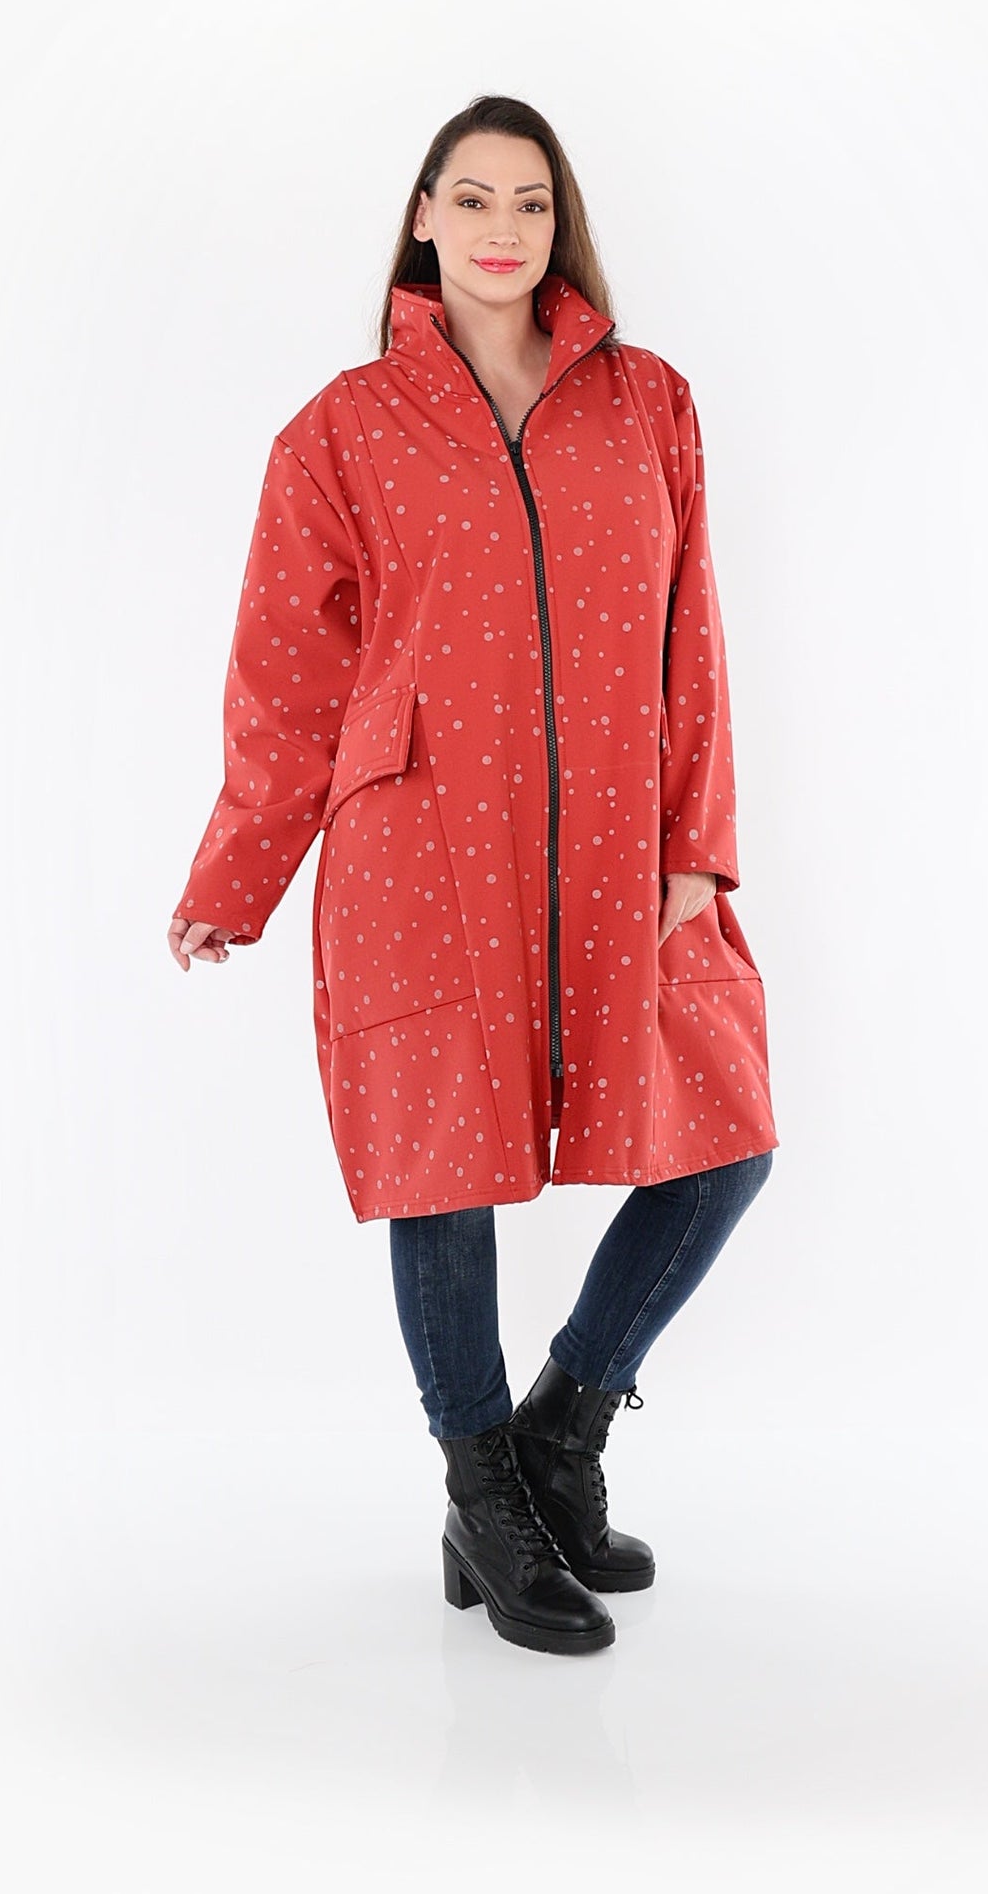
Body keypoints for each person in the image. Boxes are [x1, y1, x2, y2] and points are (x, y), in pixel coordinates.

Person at [167, 96, 778, 1655]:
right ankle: (480, 1491)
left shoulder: (647, 402)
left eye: (530, 201)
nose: (502, 228)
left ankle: (558, 1433)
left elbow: (691, 637)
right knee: (441, 1172)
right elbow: (288, 678)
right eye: (473, 198)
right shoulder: (340, 431)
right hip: (421, 842)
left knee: (726, 1139)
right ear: (422, 217)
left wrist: (697, 846)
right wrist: (237, 873)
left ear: (558, 224)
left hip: (620, 851)